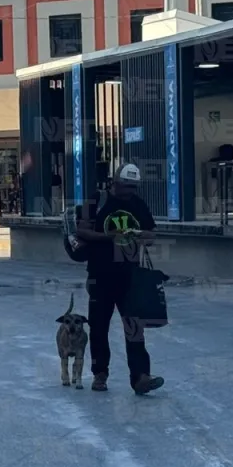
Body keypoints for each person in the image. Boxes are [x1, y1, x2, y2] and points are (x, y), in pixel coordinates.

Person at [74, 163, 165, 395]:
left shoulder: (137, 204)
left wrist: (142, 236)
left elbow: (152, 234)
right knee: (99, 327)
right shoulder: (97, 200)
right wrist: (109, 237)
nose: (129, 192)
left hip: (131, 277)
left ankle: (141, 377)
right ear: (115, 182)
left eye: (133, 187)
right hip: (100, 275)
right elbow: (81, 231)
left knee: (135, 327)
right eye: (126, 186)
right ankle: (100, 374)